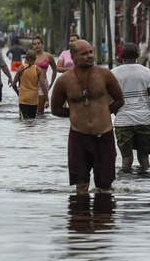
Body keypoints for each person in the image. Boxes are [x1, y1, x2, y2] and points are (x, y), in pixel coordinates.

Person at [50, 39, 125, 195]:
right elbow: (55, 109)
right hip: (78, 137)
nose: (89, 56)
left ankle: (102, 217)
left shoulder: (105, 75)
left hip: (104, 135)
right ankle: (81, 217)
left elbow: (120, 100)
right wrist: (75, 114)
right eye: (84, 53)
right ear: (73, 56)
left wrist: (104, 111)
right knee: (81, 186)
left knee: (105, 187)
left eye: (91, 52)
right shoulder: (64, 80)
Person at [112, 43, 150, 172]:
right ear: (138, 55)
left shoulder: (113, 73)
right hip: (144, 120)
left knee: (126, 159)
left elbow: (109, 100)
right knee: (144, 158)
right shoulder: (146, 72)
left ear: (121, 56)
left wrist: (115, 114)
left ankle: (125, 186)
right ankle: (144, 187)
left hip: (123, 122)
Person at [30, 36, 59, 115]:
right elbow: (24, 70)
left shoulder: (48, 56)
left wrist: (51, 83)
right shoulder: (30, 57)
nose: (37, 45)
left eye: (38, 43)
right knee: (32, 110)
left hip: (43, 84)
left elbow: (55, 69)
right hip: (32, 84)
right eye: (34, 44)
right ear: (32, 46)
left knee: (40, 111)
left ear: (42, 44)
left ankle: (41, 126)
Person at [12, 48, 41, 120]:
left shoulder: (21, 68)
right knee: (32, 121)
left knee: (23, 121)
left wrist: (18, 92)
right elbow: (42, 85)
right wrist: (46, 98)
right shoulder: (38, 70)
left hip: (23, 100)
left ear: (26, 58)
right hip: (33, 100)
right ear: (34, 59)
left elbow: (13, 84)